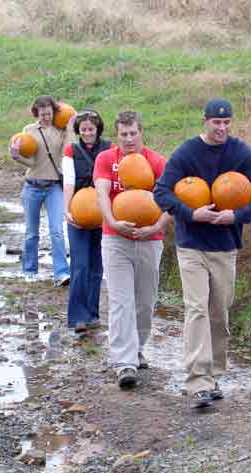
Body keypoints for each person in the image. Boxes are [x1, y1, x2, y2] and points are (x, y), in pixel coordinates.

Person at [154, 98, 251, 409]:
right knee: (196, 309)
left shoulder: (240, 152)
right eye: (216, 122)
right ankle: (198, 381)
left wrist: (237, 216)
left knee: (219, 312)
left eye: (226, 123)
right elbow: (161, 192)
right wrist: (192, 214)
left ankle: (214, 372)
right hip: (191, 244)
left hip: (225, 246)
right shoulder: (186, 152)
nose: (221, 128)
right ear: (204, 121)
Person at [94, 111, 172, 389]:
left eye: (133, 133)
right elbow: (101, 193)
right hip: (115, 238)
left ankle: (137, 349)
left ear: (141, 133)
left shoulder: (157, 162)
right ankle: (124, 363)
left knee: (144, 301)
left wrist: (156, 227)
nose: (128, 139)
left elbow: (171, 201)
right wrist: (113, 221)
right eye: (123, 134)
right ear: (117, 136)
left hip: (150, 238)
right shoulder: (106, 159)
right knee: (121, 301)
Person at [10, 95, 73, 287]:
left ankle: (62, 273)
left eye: (49, 113)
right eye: (42, 114)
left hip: (54, 187)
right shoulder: (28, 131)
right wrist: (16, 156)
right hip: (32, 186)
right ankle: (30, 270)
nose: (46, 117)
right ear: (36, 113)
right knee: (31, 233)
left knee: (57, 231)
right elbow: (32, 162)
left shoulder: (61, 131)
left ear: (54, 112)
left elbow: (67, 154)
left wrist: (70, 129)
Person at [62, 109, 112, 334]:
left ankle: (93, 314)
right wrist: (66, 209)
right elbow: (69, 183)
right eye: (83, 130)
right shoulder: (71, 150)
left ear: (98, 129)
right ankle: (78, 317)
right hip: (80, 211)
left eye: (91, 129)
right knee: (80, 264)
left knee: (97, 266)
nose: (87, 133)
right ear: (78, 131)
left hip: (103, 212)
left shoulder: (110, 148)